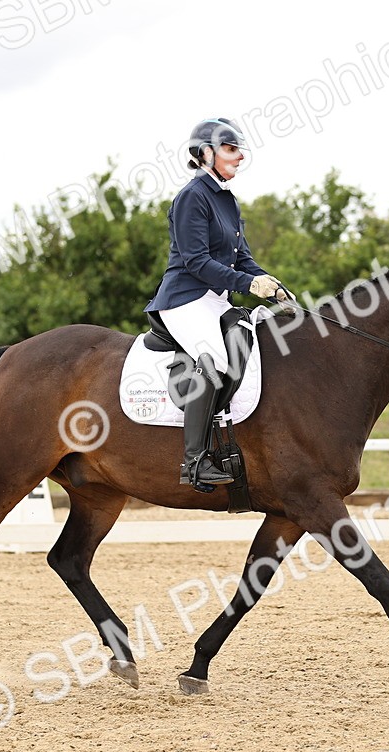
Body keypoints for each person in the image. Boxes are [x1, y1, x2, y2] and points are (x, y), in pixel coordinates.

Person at [144, 117, 289, 491]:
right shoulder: (193, 196)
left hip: (213, 299)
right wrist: (248, 284)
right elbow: (196, 261)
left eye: (239, 150)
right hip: (184, 298)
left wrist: (270, 285)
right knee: (215, 360)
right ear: (205, 153)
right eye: (230, 149)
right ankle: (193, 462)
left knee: (251, 343)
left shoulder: (227, 200)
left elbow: (243, 259)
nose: (240, 157)